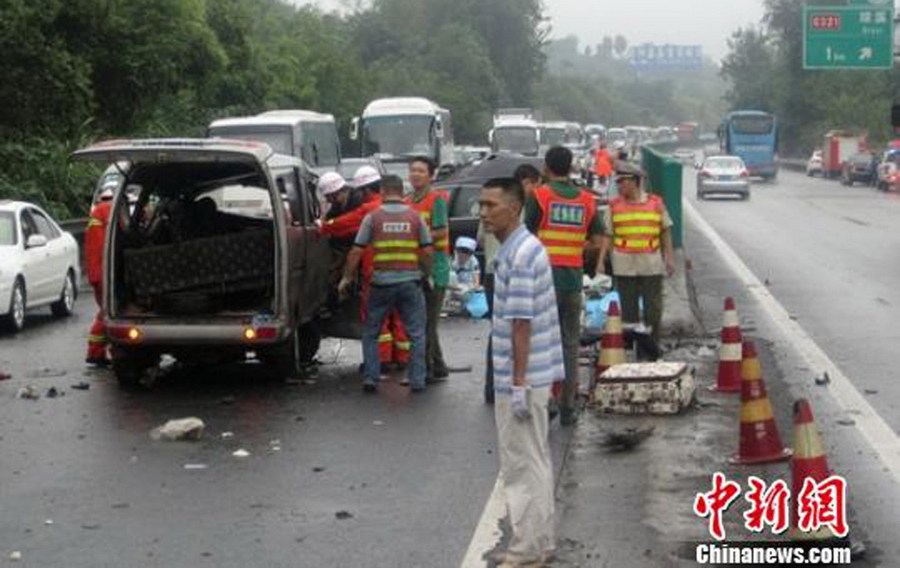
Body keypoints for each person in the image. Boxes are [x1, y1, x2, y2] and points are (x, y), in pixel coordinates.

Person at [479, 176, 563, 567]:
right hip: (535, 375)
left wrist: (516, 383)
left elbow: (521, 323)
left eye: (490, 205)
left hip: (525, 378)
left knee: (520, 467)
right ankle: (540, 541)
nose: (483, 213)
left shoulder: (521, 255)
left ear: (513, 208)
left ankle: (526, 552)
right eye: (481, 205)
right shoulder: (520, 249)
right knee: (536, 461)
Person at [525, 146, 603, 427]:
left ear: (547, 167)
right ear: (571, 167)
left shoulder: (540, 196)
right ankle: (568, 405)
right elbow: (596, 241)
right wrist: (577, 250)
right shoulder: (586, 200)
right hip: (572, 280)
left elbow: (526, 236)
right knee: (570, 344)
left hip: (544, 280)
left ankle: (546, 400)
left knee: (544, 343)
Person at [339, 175, 433, 392]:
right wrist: (425, 274)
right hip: (410, 282)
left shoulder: (373, 218)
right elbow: (427, 250)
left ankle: (371, 378)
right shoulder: (415, 217)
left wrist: (346, 277)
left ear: (382, 191)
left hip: (380, 283)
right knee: (416, 333)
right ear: (401, 191)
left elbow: (356, 250)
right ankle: (417, 380)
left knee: (371, 332)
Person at [479, 163, 542, 404]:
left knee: (499, 329)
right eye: (533, 184)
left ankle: (493, 387)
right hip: (500, 272)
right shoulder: (517, 213)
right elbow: (522, 325)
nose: (484, 213)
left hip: (491, 272)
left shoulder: (499, 216)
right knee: (511, 327)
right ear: (525, 183)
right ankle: (508, 384)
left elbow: (480, 240)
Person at [598, 161, 676, 344]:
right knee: (628, 311)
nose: (619, 186)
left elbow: (666, 230)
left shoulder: (655, 203)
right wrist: (601, 261)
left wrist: (669, 258)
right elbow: (607, 235)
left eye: (622, 181)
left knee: (653, 310)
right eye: (618, 182)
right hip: (624, 265)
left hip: (650, 263)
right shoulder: (614, 206)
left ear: (634, 182)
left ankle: (651, 347)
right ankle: (632, 348)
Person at [405, 156, 450, 382]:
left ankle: (428, 370)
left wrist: (414, 237)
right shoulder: (407, 200)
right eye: (413, 170)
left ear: (431, 175)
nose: (415, 174)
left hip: (435, 268)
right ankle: (438, 365)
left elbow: (440, 232)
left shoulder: (436, 200)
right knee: (422, 321)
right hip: (415, 268)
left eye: (421, 171)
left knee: (427, 322)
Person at [85, 186, 114, 366]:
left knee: (105, 312)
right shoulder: (109, 210)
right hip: (104, 273)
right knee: (107, 313)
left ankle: (96, 352)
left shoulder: (97, 212)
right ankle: (95, 353)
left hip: (97, 273)